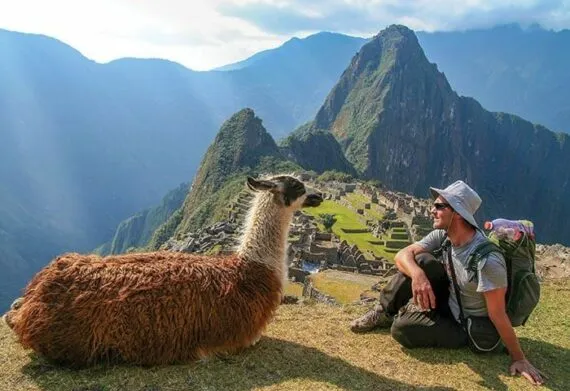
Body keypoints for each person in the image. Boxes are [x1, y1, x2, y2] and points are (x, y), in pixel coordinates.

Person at [350, 180, 544, 386]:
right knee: (421, 261)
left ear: (458, 213)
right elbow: (402, 255)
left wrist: (519, 358)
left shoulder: (487, 261)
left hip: (465, 324)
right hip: (449, 301)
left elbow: (497, 314)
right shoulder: (443, 236)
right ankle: (382, 312)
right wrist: (418, 276)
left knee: (402, 330)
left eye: (439, 206)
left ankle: (406, 317)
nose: (432, 210)